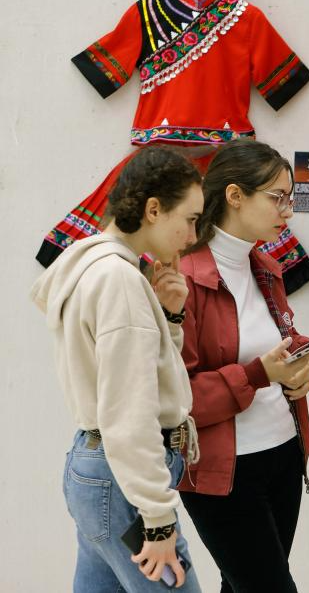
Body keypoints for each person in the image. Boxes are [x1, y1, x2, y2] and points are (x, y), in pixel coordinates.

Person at [31, 146, 204, 591]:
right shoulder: (120, 280)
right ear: (153, 210)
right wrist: (159, 519)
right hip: (122, 482)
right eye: (189, 219)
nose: (192, 236)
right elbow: (129, 413)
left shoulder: (92, 265)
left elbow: (140, 378)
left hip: (99, 472)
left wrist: (169, 317)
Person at [177, 139, 309, 592]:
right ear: (235, 196)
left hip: (284, 455)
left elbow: (281, 342)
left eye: (290, 198)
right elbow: (178, 398)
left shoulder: (264, 266)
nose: (288, 211)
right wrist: (260, 374)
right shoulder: (183, 279)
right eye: (278, 197)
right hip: (224, 474)